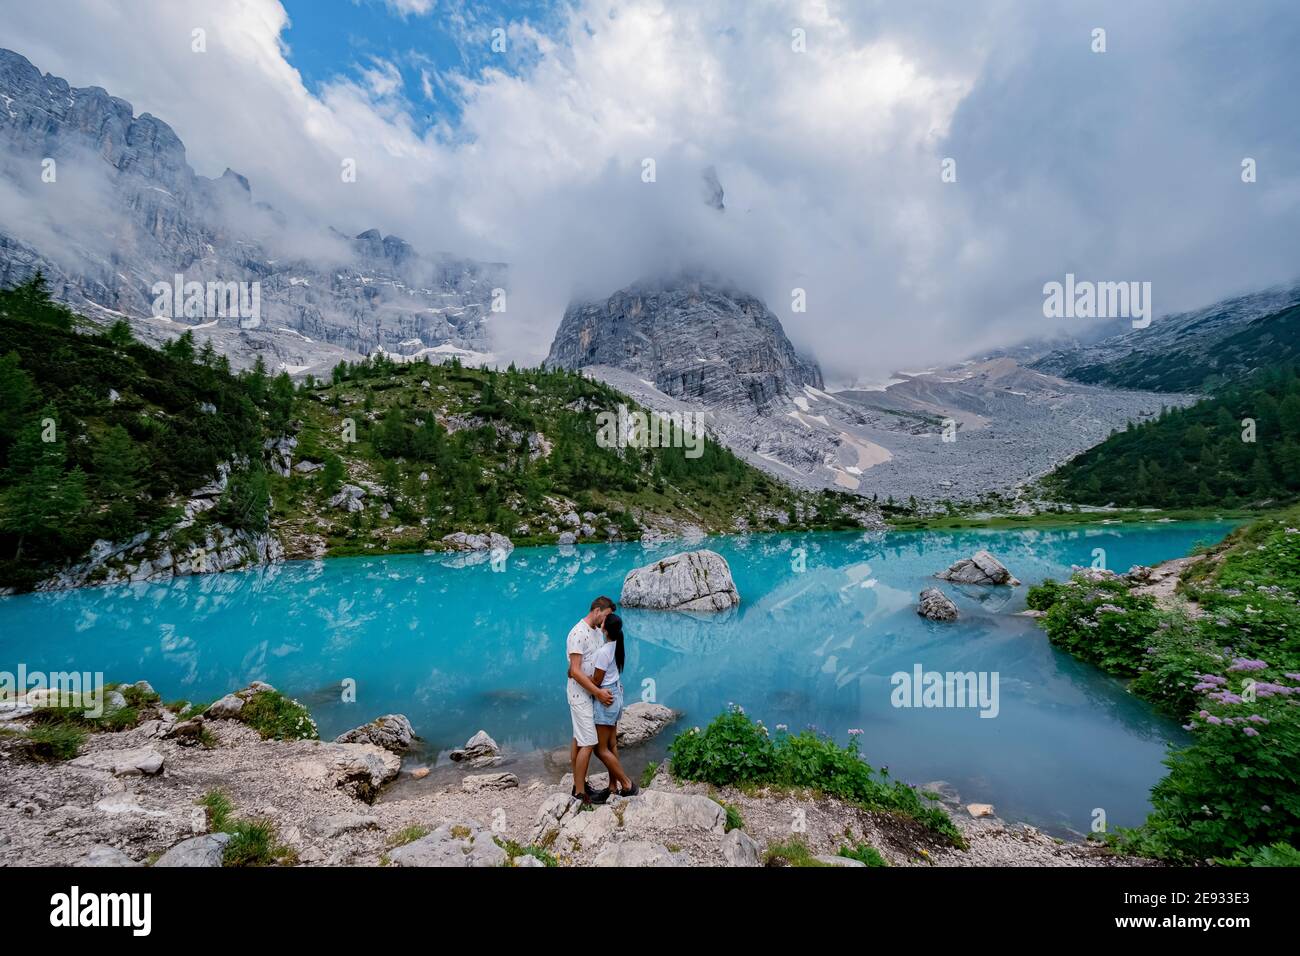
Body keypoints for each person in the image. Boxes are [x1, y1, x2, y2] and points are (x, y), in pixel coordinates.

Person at [567, 596, 615, 804]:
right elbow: (575, 671)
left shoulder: (596, 632)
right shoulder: (578, 633)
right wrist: (597, 692)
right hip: (580, 695)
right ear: (596, 611)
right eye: (605, 616)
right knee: (589, 742)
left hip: (591, 693)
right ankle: (580, 794)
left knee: (579, 739)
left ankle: (580, 784)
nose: (605, 622)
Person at [592, 612, 638, 796]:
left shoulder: (604, 652)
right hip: (617, 694)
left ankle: (627, 784)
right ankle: (613, 786)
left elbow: (596, 680)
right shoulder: (616, 645)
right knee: (611, 744)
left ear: (605, 629)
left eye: (603, 622)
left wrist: (576, 676)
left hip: (607, 698)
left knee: (599, 749)